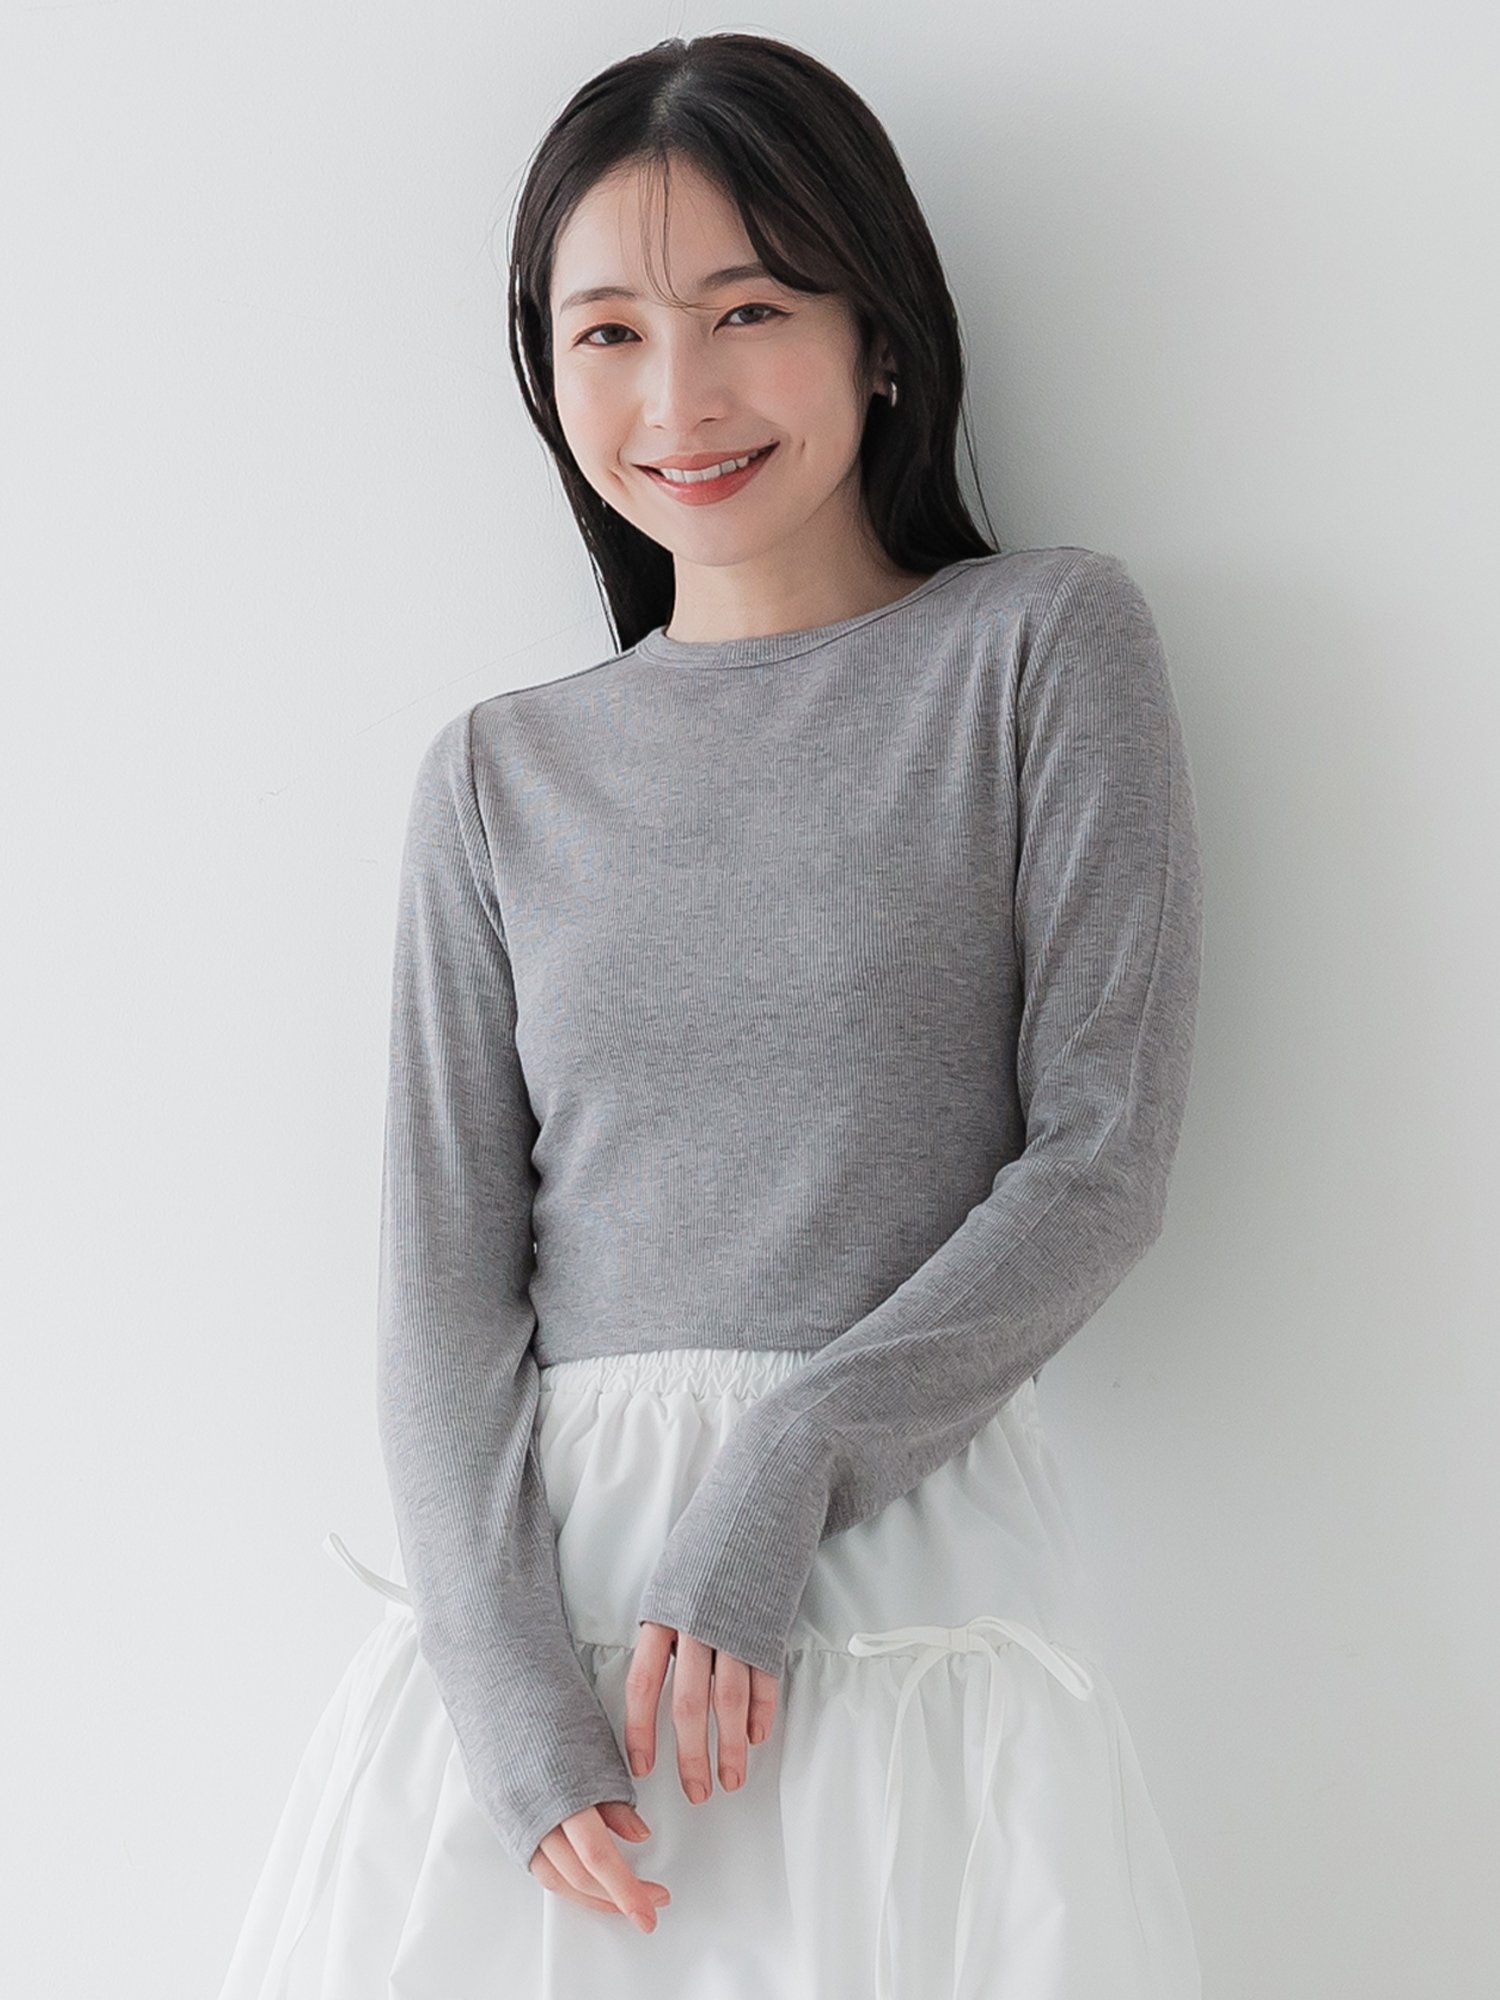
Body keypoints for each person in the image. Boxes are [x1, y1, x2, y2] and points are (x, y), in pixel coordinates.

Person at [215, 30, 1206, 1999]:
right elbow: (441, 1296)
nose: (677, 397)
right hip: (541, 1648)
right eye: (608, 332)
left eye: (749, 311)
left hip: (898, 1562)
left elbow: (1102, 1160)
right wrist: (509, 1709)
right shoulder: (499, 774)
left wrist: (790, 1460)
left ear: (878, 333)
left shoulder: (1037, 648)